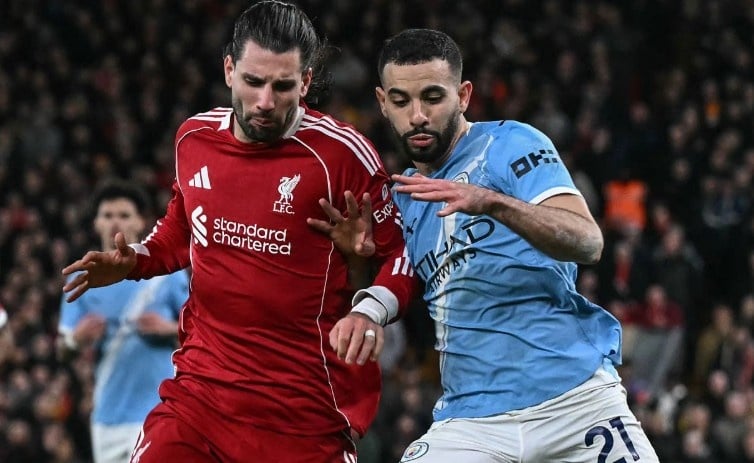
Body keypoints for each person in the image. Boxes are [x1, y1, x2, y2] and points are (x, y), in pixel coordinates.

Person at [61, 2, 414, 462]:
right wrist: (136, 260)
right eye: (253, 81)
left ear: (305, 82)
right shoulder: (194, 140)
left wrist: (369, 311)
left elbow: (402, 255)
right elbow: (182, 230)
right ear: (229, 70)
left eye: (282, 86)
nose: (265, 102)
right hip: (200, 398)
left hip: (303, 413)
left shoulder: (341, 156)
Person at [313, 28, 660, 462]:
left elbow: (587, 242)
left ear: (463, 96)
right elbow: (396, 285)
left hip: (576, 403)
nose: (417, 115)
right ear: (383, 103)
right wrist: (357, 261)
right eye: (401, 101)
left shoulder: (511, 144)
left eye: (433, 98)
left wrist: (492, 202)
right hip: (472, 423)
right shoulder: (402, 198)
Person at [58, 180, 189, 463]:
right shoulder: (82, 279)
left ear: (140, 222)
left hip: (161, 410)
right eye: (107, 215)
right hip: (108, 417)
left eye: (124, 215)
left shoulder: (166, 274)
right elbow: (62, 349)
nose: (115, 222)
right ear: (96, 223)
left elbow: (199, 334)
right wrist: (75, 340)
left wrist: (168, 329)